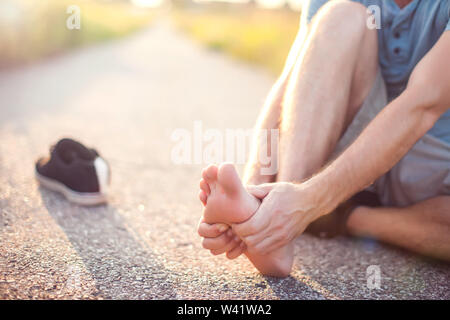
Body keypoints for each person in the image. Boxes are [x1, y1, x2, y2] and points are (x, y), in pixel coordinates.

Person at [198, 0, 450, 277]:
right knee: (341, 15)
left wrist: (311, 200)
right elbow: (292, 82)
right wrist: (253, 195)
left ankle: (337, 216)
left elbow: (424, 105)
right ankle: (279, 221)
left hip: (435, 160)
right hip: (345, 147)